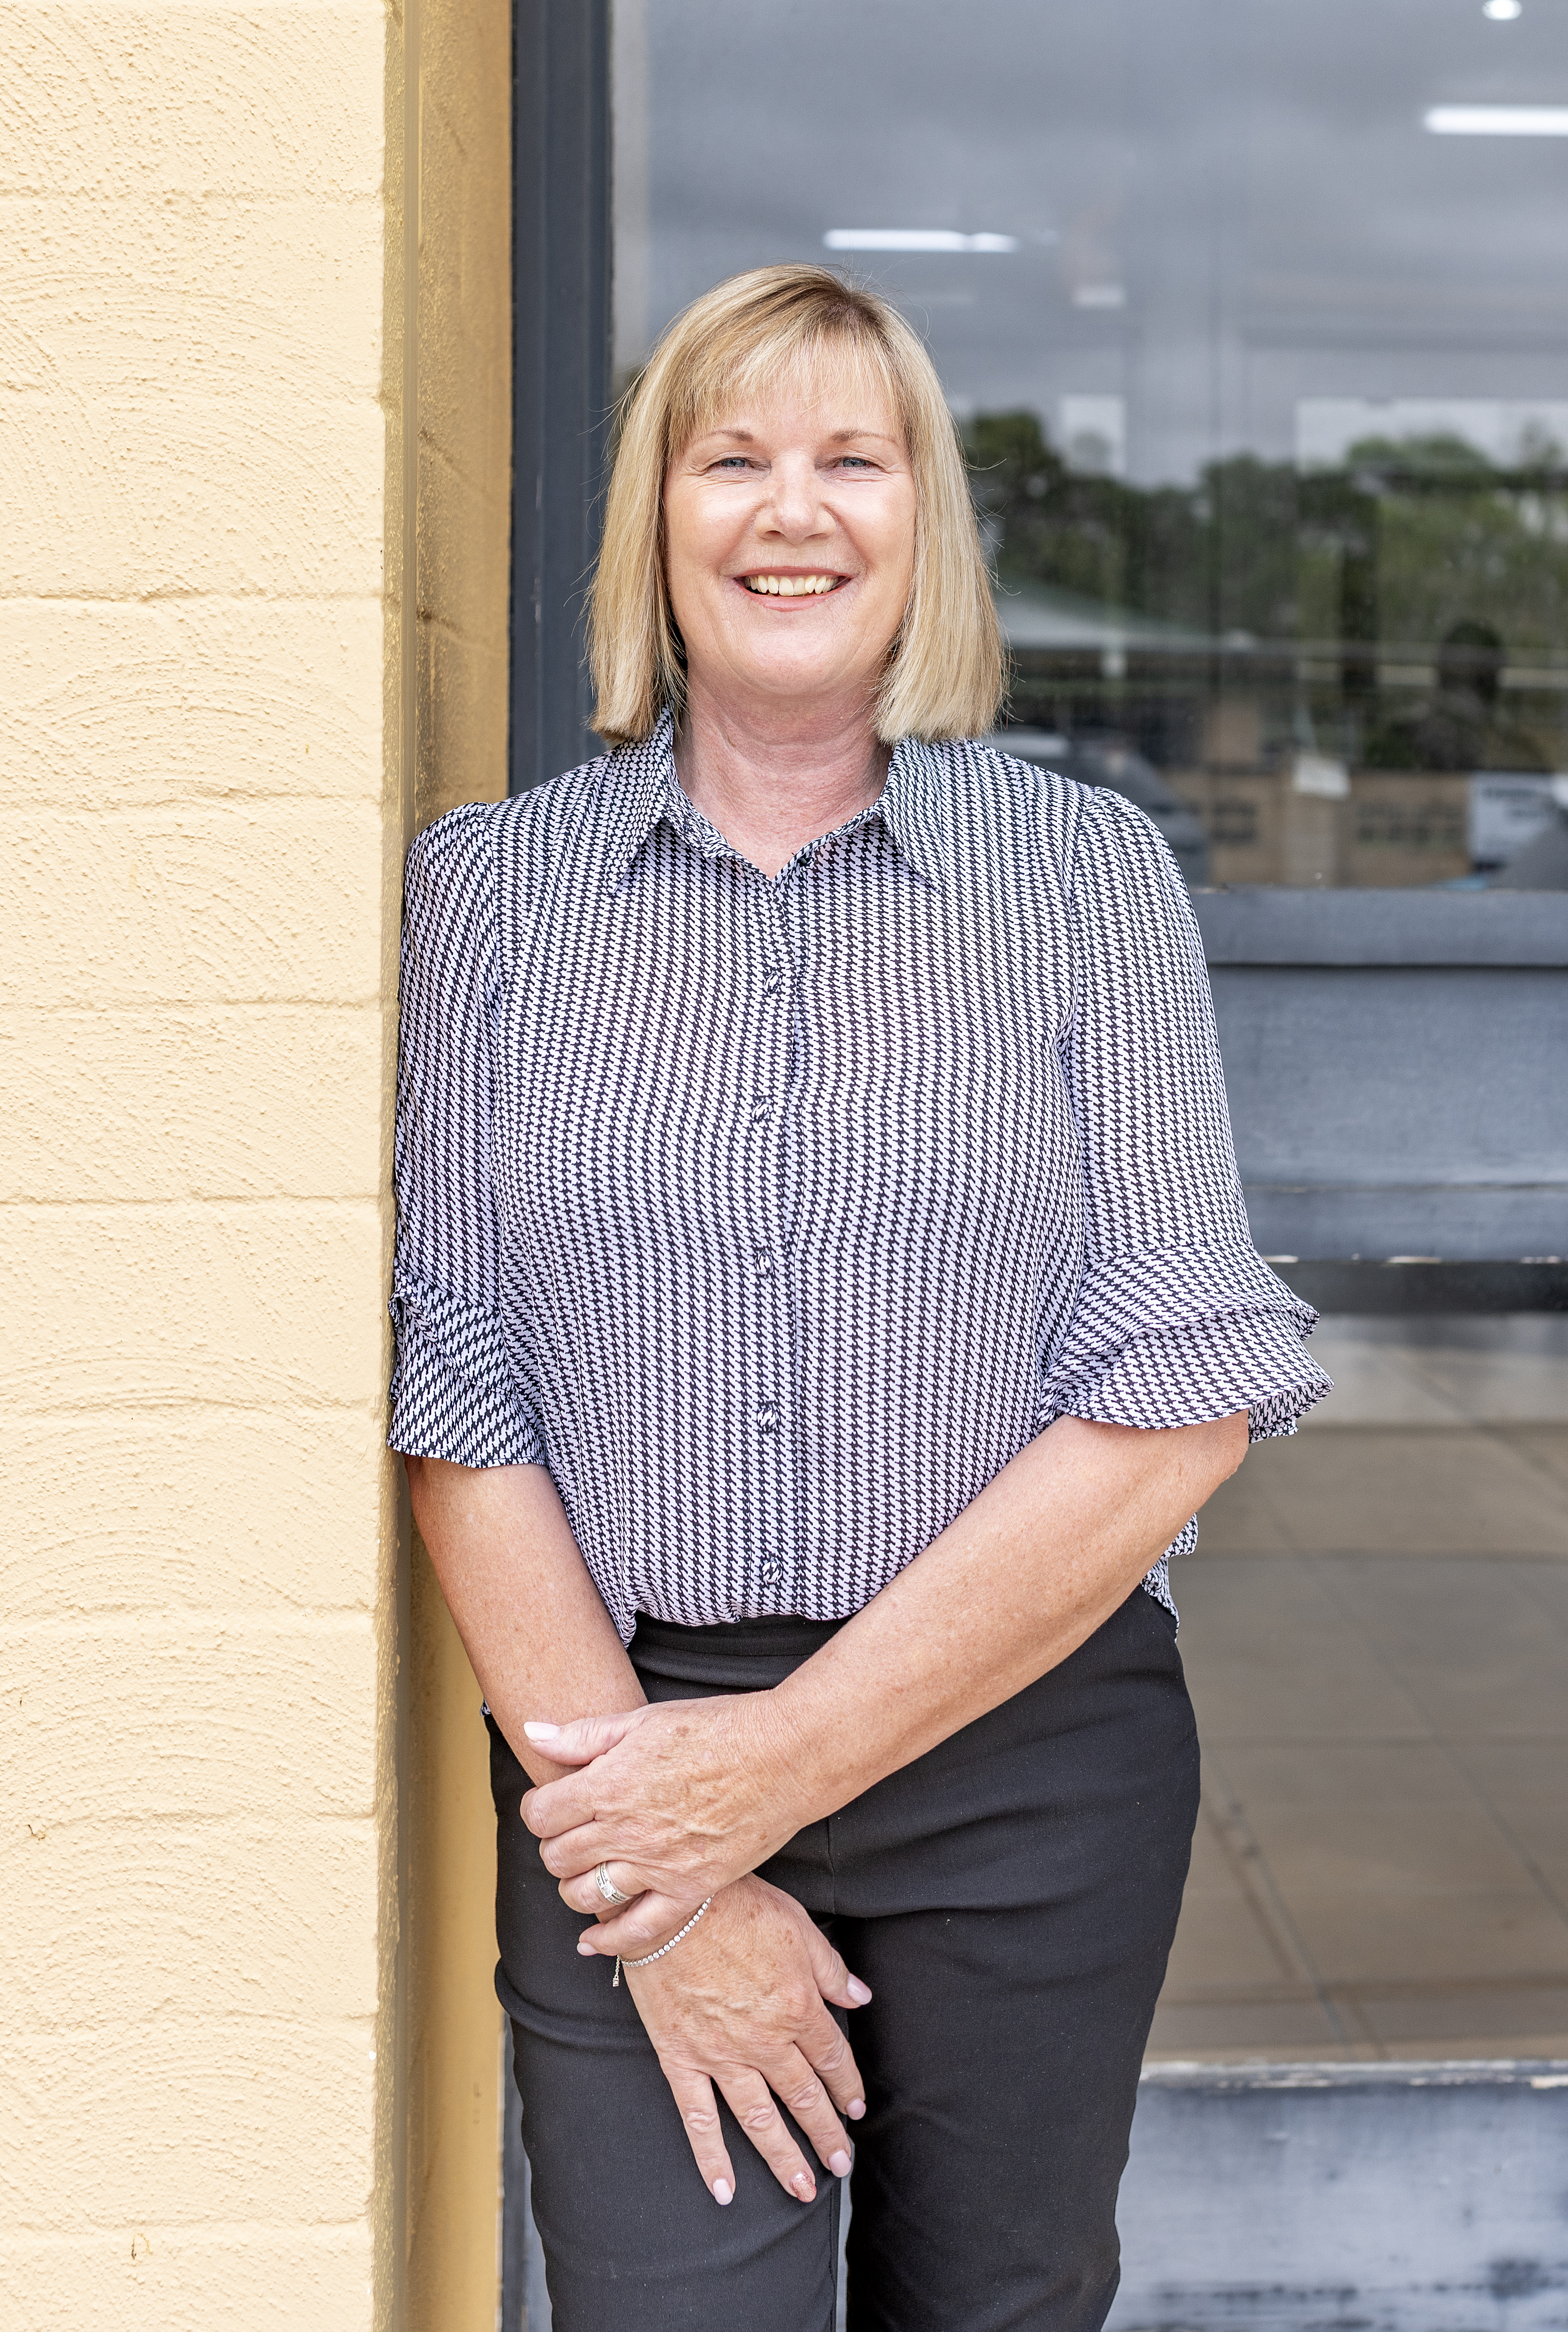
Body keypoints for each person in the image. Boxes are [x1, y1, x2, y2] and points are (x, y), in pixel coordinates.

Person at [389, 264, 1329, 2332]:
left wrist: (781, 1764)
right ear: (656, 518)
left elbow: (1175, 1387)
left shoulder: (1085, 880)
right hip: (621, 1751)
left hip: (1027, 1764)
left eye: (849, 457)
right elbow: (457, 1389)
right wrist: (679, 1846)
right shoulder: (490, 897)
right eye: (729, 458)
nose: (788, 509)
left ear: (925, 526)